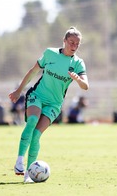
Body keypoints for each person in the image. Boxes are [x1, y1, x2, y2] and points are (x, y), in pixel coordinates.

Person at [9, 26, 89, 183]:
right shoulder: (50, 53)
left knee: (37, 134)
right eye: (71, 42)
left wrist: (79, 80)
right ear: (64, 41)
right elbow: (33, 71)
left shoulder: (78, 63)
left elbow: (86, 86)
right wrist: (19, 91)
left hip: (54, 104)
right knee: (32, 121)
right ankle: (19, 161)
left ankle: (29, 173)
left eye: (77, 44)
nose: (74, 46)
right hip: (37, 95)